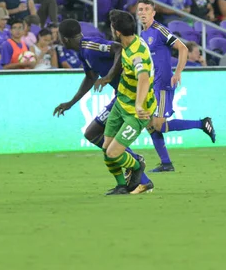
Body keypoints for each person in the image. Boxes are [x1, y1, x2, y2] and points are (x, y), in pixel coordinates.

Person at [52, 19, 154, 193]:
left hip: (127, 97)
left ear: (65, 39)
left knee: (106, 142)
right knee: (93, 134)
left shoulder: (91, 46)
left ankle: (137, 166)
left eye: (59, 37)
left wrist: (108, 77)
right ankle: (123, 183)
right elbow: (90, 78)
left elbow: (118, 48)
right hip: (120, 97)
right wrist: (71, 103)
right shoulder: (83, 52)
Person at [135, 0, 216, 172]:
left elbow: (183, 48)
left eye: (147, 9)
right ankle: (166, 163)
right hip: (151, 86)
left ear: (153, 13)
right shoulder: (143, 34)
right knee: (150, 124)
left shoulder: (159, 30)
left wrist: (178, 72)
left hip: (163, 84)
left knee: (159, 126)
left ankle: (202, 124)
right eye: (140, 9)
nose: (143, 13)